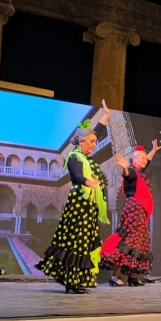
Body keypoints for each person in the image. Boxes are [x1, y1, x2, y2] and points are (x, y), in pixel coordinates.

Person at [36, 100, 111, 294]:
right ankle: (72, 281)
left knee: (86, 242)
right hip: (79, 205)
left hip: (89, 205)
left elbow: (96, 132)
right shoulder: (75, 157)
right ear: (80, 141)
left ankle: (78, 281)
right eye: (91, 142)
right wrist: (89, 182)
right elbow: (77, 177)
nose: (94, 144)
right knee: (77, 241)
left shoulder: (84, 156)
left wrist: (105, 116)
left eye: (95, 141)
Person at [101, 140, 161, 287]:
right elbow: (127, 175)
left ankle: (133, 277)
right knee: (130, 241)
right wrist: (124, 168)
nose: (145, 160)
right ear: (134, 160)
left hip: (141, 213)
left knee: (141, 242)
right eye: (141, 158)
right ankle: (115, 276)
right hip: (133, 211)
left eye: (145, 158)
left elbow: (147, 161)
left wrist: (153, 150)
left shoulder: (140, 173)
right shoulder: (133, 172)